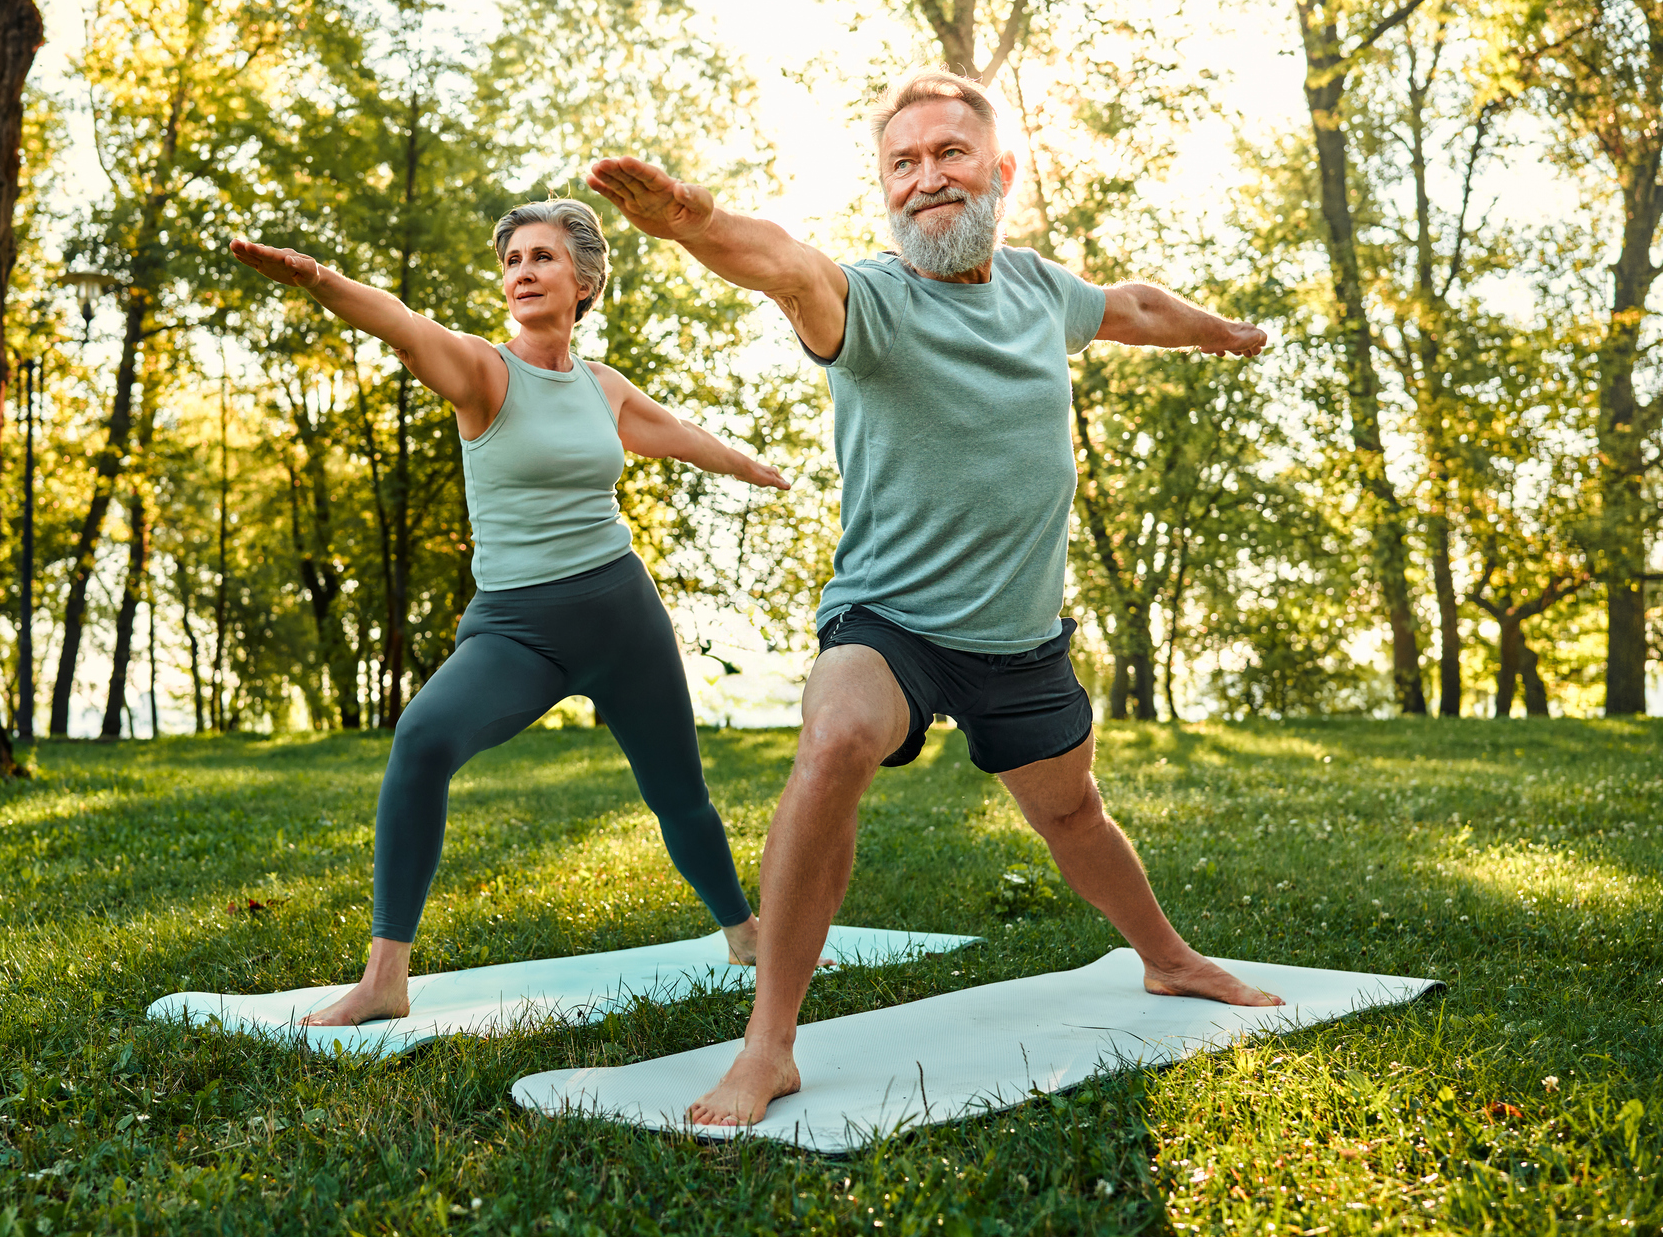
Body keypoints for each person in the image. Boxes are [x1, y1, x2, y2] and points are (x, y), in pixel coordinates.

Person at [585, 67, 1285, 1127]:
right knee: (834, 738)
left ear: (999, 172)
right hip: (891, 625)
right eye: (902, 164)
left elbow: (1133, 306)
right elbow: (782, 267)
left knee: (1072, 813)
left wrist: (1216, 330)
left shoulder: (1041, 291)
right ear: (884, 190)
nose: (926, 180)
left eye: (949, 154)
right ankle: (768, 1044)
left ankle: (1169, 960)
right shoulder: (868, 302)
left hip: (1019, 638)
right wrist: (694, 224)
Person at [228, 199, 790, 1026]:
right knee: (421, 738)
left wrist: (752, 468)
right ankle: (385, 976)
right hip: (520, 630)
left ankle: (744, 932)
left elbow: (674, 433)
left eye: (542, 258)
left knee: (679, 793)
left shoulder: (604, 386)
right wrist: (317, 278)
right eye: (513, 260)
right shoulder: (484, 373)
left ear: (587, 281)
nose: (522, 271)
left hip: (624, 616)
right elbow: (404, 327)